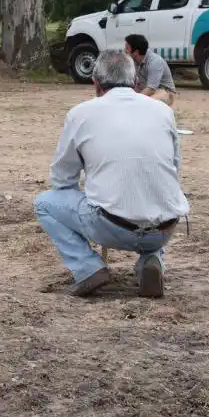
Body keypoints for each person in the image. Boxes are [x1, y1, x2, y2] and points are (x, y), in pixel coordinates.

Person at [33, 49, 190, 298]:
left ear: (95, 84)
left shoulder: (80, 114)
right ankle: (152, 261)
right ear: (136, 82)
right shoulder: (163, 112)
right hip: (164, 229)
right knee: (156, 190)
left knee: (44, 202)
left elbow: (62, 180)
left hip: (111, 226)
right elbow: (173, 170)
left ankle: (88, 268)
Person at [124, 34, 177, 106]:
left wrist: (134, 100)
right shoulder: (133, 60)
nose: (124, 51)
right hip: (146, 90)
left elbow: (151, 89)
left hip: (164, 92)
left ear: (136, 52)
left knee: (147, 104)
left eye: (127, 48)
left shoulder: (155, 61)